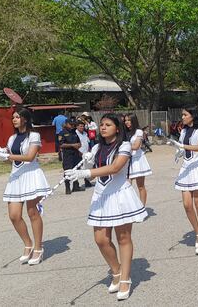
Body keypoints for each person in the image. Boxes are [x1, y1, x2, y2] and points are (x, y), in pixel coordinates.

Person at [63, 113, 147, 301]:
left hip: (120, 196)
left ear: (117, 128)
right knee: (100, 239)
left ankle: (125, 278)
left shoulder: (124, 146)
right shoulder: (98, 147)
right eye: (102, 124)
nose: (103, 127)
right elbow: (96, 175)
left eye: (108, 124)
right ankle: (116, 271)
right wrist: (87, 161)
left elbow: (115, 168)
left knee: (123, 238)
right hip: (101, 197)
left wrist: (87, 171)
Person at [0, 107, 50, 266]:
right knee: (14, 215)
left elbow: (30, 157)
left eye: (17, 117)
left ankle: (38, 247)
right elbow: (11, 156)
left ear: (25, 119)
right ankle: (27, 244)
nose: (14, 119)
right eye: (13, 117)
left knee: (32, 213)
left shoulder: (34, 135)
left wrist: (7, 155)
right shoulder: (12, 137)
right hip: (16, 177)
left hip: (31, 175)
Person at [169, 105, 198, 254]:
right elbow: (185, 148)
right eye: (182, 115)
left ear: (193, 116)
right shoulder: (183, 130)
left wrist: (182, 145)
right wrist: (179, 151)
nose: (182, 117)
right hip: (187, 168)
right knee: (187, 205)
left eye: (184, 115)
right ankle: (197, 232)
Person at [124, 113, 152, 206]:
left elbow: (136, 146)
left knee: (140, 186)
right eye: (125, 120)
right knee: (126, 186)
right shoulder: (124, 132)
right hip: (127, 160)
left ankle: (142, 208)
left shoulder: (138, 132)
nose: (127, 122)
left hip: (137, 160)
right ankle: (130, 208)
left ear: (134, 121)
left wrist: (123, 147)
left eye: (129, 120)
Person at [58, 119, 84, 194]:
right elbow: (61, 144)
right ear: (66, 124)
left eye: (73, 124)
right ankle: (67, 187)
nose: (72, 126)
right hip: (67, 155)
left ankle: (76, 186)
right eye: (71, 124)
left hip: (76, 154)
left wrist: (79, 146)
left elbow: (78, 142)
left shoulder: (74, 132)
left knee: (76, 169)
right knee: (67, 171)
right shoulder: (62, 133)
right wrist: (72, 145)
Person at [75, 120, 94, 187]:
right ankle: (76, 184)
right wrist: (78, 152)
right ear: (77, 127)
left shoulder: (85, 133)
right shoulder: (75, 134)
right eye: (80, 126)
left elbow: (87, 142)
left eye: (83, 126)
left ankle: (87, 181)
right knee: (78, 168)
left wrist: (89, 150)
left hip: (86, 153)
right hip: (79, 153)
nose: (82, 127)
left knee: (86, 167)